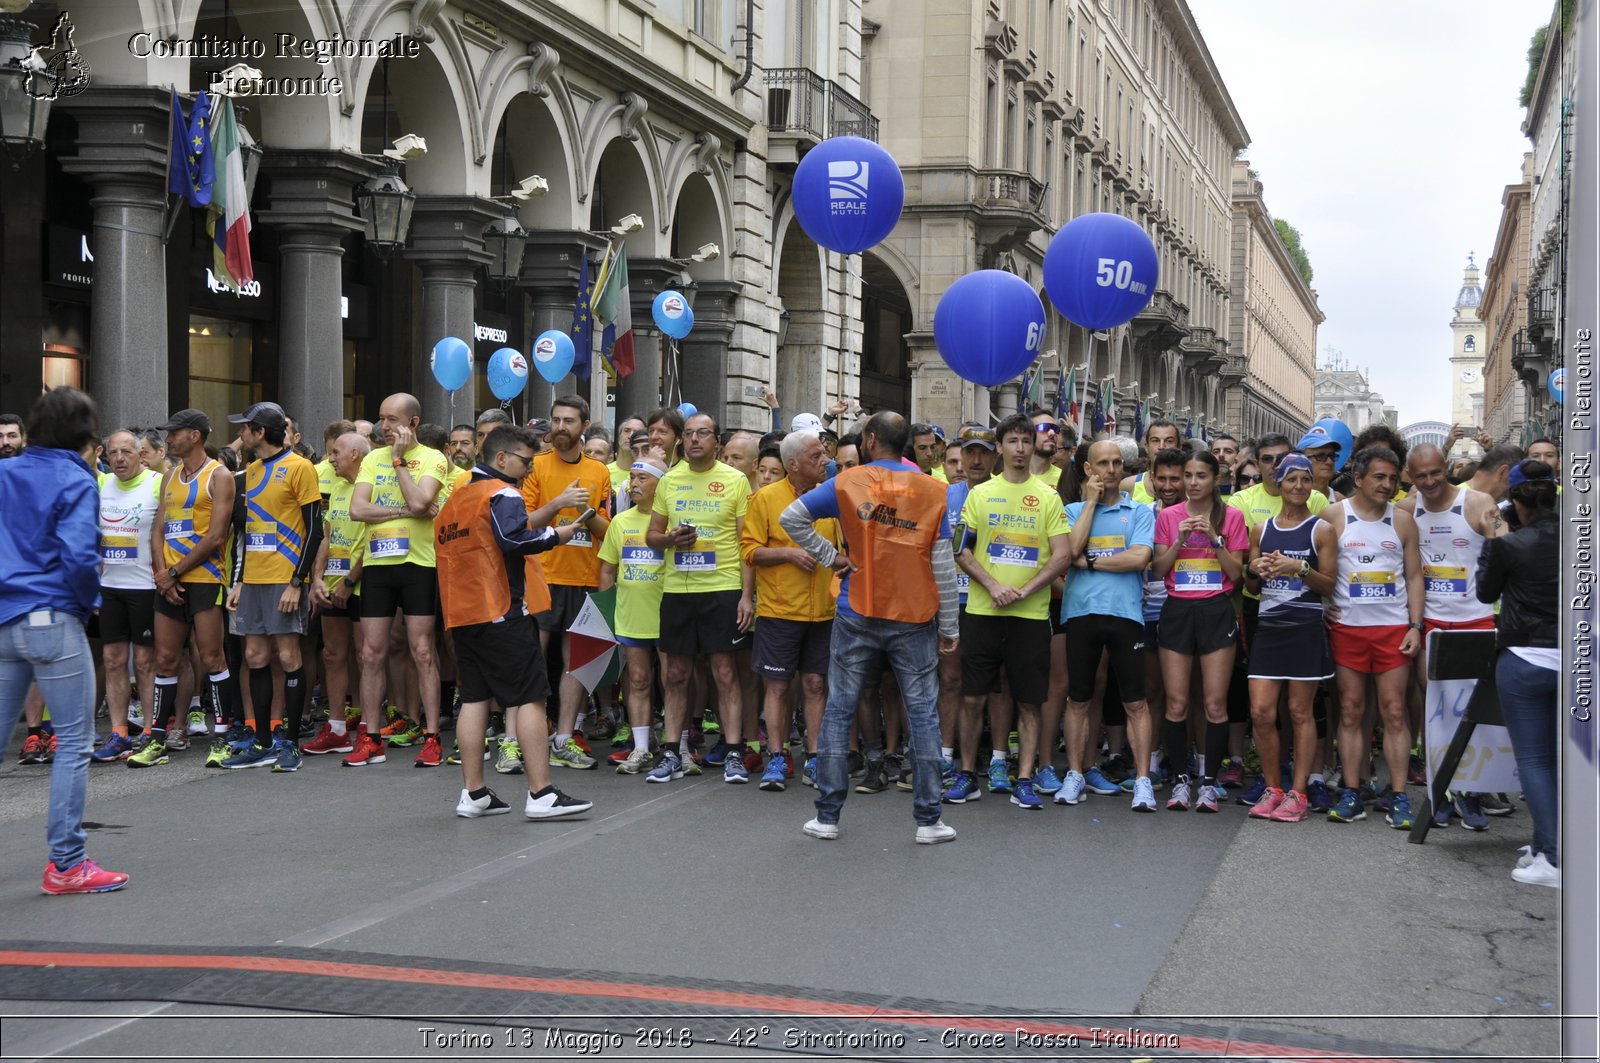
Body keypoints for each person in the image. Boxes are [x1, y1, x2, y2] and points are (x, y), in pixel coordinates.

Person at [779, 412, 960, 844]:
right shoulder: (935, 491)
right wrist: (949, 626)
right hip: (914, 614)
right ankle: (929, 819)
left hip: (856, 606)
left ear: (872, 439)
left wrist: (830, 556)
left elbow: (791, 519)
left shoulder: (846, 482)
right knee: (922, 713)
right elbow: (943, 565)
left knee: (839, 710)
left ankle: (827, 816)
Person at [0, 388, 129, 894]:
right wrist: (83, 602)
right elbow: (78, 556)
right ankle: (67, 864)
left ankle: (69, 863)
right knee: (74, 742)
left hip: (5, 617)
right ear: (86, 439)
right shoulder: (76, 479)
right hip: (52, 615)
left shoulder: (5, 472)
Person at [437, 424, 590, 820]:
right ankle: (541, 793)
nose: (528, 470)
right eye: (525, 461)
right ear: (502, 458)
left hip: (462, 613)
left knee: (474, 698)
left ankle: (474, 793)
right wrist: (559, 534)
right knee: (529, 698)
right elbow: (514, 539)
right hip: (502, 611)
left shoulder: (457, 496)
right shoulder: (502, 493)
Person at [953, 414, 1072, 810]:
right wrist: (994, 586)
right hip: (982, 612)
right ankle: (968, 774)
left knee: (1028, 701)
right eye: (1013, 441)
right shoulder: (979, 494)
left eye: (1026, 441)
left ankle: (1024, 778)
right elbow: (960, 548)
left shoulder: (1049, 496)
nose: (1020, 448)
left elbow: (1063, 555)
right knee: (972, 699)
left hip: (1030, 617)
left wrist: (1024, 590)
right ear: (999, 447)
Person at [1400, 443, 1508, 826]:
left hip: (1476, 621)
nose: (1430, 482)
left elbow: (1506, 549)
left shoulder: (1476, 503)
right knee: (1435, 710)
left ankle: (1473, 791)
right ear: (1410, 477)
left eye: (1435, 473)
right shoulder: (1407, 509)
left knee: (1474, 709)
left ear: (1445, 467)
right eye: (1420, 476)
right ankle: (1440, 790)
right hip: (1430, 625)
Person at [644, 412, 754, 783]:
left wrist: (746, 596)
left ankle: (735, 752)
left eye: (702, 434)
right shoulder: (670, 481)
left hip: (722, 587)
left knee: (724, 671)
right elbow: (652, 537)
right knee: (676, 673)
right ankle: (672, 751)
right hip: (678, 589)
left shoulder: (736, 481)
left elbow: (746, 544)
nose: (694, 440)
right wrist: (671, 538)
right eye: (688, 434)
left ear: (716, 441)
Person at [344, 393, 451, 767]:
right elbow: (358, 509)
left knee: (423, 651)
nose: (384, 426)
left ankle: (432, 736)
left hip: (419, 564)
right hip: (378, 565)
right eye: (381, 419)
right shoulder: (371, 458)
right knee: (370, 653)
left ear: (414, 423)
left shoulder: (434, 458)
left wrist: (399, 462)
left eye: (392, 420)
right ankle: (371, 738)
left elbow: (423, 504)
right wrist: (402, 509)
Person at [216, 403, 323, 771]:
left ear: (260, 433)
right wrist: (240, 581)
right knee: (255, 658)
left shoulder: (300, 467)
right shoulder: (251, 472)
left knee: (290, 658)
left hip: (284, 579)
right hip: (254, 581)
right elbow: (247, 535)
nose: (240, 434)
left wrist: (298, 582)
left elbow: (315, 530)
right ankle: (262, 740)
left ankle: (290, 744)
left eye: (245, 428)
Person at [1322, 446, 1425, 828]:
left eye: (1393, 478)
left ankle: (1399, 796)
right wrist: (1322, 606)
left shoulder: (1402, 521)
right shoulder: (1334, 516)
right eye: (1379, 477)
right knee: (1350, 710)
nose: (1387, 484)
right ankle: (1352, 790)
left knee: (1394, 711)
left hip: (1393, 630)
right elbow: (1319, 567)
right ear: (1360, 478)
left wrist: (1415, 626)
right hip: (1348, 629)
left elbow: (1415, 577)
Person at [1056, 439, 1159, 811]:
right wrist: (1090, 504)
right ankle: (1075, 775)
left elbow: (1139, 557)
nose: (1112, 470)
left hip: (1126, 614)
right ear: (1088, 469)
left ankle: (1143, 781)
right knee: (1079, 698)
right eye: (1103, 463)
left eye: (1117, 463)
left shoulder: (1140, 511)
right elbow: (1070, 551)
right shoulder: (1070, 510)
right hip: (1082, 613)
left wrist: (1093, 561)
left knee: (1136, 701)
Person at [137, 409, 238, 768]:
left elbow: (216, 536)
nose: (169, 439)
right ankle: (158, 738)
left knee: (212, 657)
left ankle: (224, 737)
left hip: (204, 579)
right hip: (170, 581)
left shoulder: (220, 475)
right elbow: (158, 531)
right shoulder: (170, 477)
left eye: (175, 433)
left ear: (194, 435)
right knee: (165, 658)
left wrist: (175, 572)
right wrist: (162, 573)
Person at [741, 430, 840, 791]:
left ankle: (814, 758)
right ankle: (777, 758)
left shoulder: (831, 498)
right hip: (780, 610)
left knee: (815, 683)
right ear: (793, 464)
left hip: (824, 612)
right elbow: (750, 551)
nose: (825, 461)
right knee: (779, 686)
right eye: (817, 456)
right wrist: (788, 553)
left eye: (824, 455)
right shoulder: (766, 498)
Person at [1477, 460, 1560, 887]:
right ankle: (1546, 842)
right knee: (1561, 760)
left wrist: (1494, 538)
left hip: (1526, 658)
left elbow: (1485, 592)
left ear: (1516, 501)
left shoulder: (1510, 544)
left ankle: (1553, 858)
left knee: (1535, 761)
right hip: (1575, 658)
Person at [1150, 451, 1248, 813]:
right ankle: (1179, 781)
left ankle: (1209, 782)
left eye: (1200, 476)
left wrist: (1215, 538)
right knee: (1176, 703)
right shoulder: (1167, 516)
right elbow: (1158, 570)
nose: (1192, 483)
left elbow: (1236, 575)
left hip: (1216, 610)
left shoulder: (1232, 517)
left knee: (1214, 703)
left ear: (1215, 478)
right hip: (1177, 609)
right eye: (1187, 475)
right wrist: (1178, 540)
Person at [1242, 454, 1337, 823]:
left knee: (1300, 711)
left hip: (1305, 629)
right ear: (1279, 484)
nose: (1299, 487)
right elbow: (1251, 585)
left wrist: (1300, 567)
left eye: (1305, 480)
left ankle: (1297, 792)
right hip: (1269, 628)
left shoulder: (1321, 530)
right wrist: (1255, 568)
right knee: (1262, 713)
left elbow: (1329, 584)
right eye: (1291, 480)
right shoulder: (1261, 530)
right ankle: (1273, 787)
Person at [521, 396, 612, 770]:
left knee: (575, 661)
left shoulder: (599, 471)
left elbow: (609, 531)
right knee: (532, 658)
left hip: (584, 577)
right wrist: (560, 502)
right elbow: (523, 521)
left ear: (584, 426)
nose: (560, 427)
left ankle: (564, 735)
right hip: (541, 573)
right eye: (556, 420)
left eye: (569, 421)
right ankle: (519, 737)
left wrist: (586, 513)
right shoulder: (535, 466)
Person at [89, 429, 162, 763]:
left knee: (146, 663)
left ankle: (149, 731)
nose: (118, 459)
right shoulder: (102, 485)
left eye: (126, 452)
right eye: (113, 454)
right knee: (113, 660)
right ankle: (118, 732)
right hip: (110, 587)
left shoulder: (157, 484)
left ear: (140, 454)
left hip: (145, 586)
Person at [597, 454, 669, 775]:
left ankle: (675, 747)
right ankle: (640, 747)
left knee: (673, 681)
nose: (634, 483)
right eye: (633, 477)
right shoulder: (620, 522)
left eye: (643, 478)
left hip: (667, 615)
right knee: (638, 680)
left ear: (661, 485)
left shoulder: (672, 520)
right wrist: (605, 614)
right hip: (631, 616)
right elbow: (607, 571)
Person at [302, 432, 372, 755]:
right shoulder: (340, 488)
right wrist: (317, 578)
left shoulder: (372, 488)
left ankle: (370, 731)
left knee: (366, 656)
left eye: (336, 453)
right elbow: (326, 538)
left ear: (356, 454)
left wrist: (350, 581)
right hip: (331, 583)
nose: (331, 459)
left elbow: (373, 538)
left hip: (363, 583)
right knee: (332, 655)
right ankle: (337, 728)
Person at [1121, 420, 1182, 502]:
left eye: (1169, 441)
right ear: (1146, 446)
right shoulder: (1128, 485)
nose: (1161, 446)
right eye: (1155, 440)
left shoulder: (1190, 485)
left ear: (1179, 447)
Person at [1028, 410, 1065, 489]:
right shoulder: (1013, 477)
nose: (1052, 433)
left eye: (1055, 429)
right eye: (1044, 427)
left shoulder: (1065, 479)